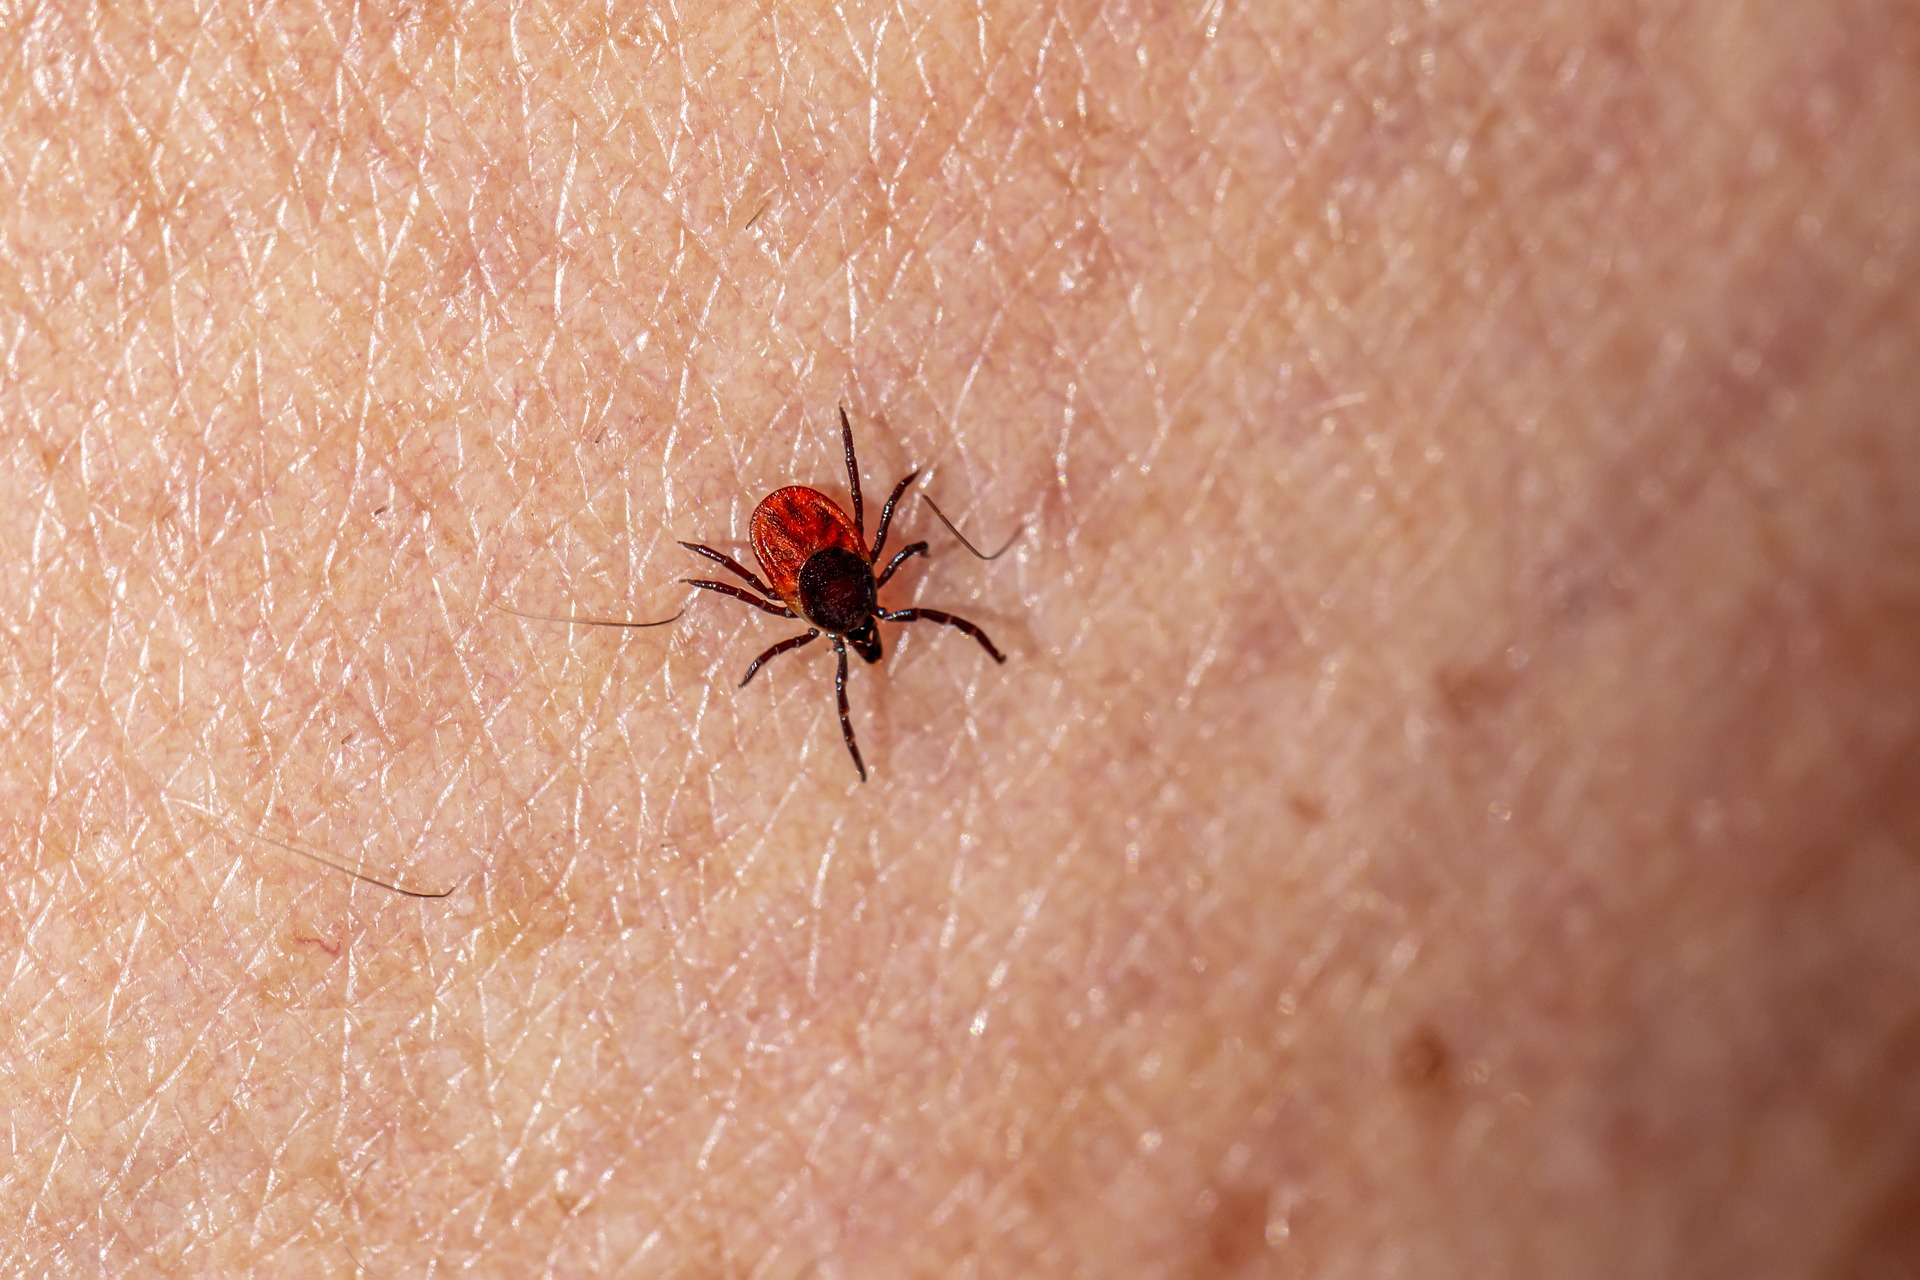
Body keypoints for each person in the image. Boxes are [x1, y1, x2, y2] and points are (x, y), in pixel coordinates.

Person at [2, 2, 1915, 1273]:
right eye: (848, 610)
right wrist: (809, 572)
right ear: (824, 596)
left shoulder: (825, 585)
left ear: (839, 585)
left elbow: (797, 561)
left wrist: (824, 581)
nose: (862, 611)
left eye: (858, 604)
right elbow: (794, 562)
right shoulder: (831, 586)